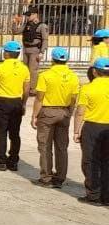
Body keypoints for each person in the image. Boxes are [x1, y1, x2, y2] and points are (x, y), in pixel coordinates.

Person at [31, 47, 80, 189]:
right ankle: (60, 178)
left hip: (47, 112)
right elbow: (73, 98)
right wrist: (69, 113)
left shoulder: (46, 75)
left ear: (53, 59)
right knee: (61, 147)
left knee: (45, 145)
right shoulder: (73, 76)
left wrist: (34, 115)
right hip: (64, 112)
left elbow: (39, 98)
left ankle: (46, 177)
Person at [0, 41, 29, 171]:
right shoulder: (24, 68)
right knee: (15, 133)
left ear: (7, 53)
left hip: (3, 102)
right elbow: (26, 89)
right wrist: (24, 103)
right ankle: (13, 160)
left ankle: (1, 160)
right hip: (17, 101)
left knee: (1, 132)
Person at [75, 57, 109, 204]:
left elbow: (80, 111)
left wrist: (76, 131)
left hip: (92, 127)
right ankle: (107, 196)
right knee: (107, 161)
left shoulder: (87, 88)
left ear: (94, 72)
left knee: (90, 161)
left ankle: (94, 194)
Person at [14, 9, 49, 98]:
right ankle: (26, 88)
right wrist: (15, 23)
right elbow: (16, 32)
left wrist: (42, 52)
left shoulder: (42, 26)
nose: (27, 17)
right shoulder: (26, 25)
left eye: (29, 15)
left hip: (35, 50)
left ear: (35, 15)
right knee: (25, 70)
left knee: (33, 71)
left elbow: (45, 40)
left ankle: (33, 90)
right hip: (26, 50)